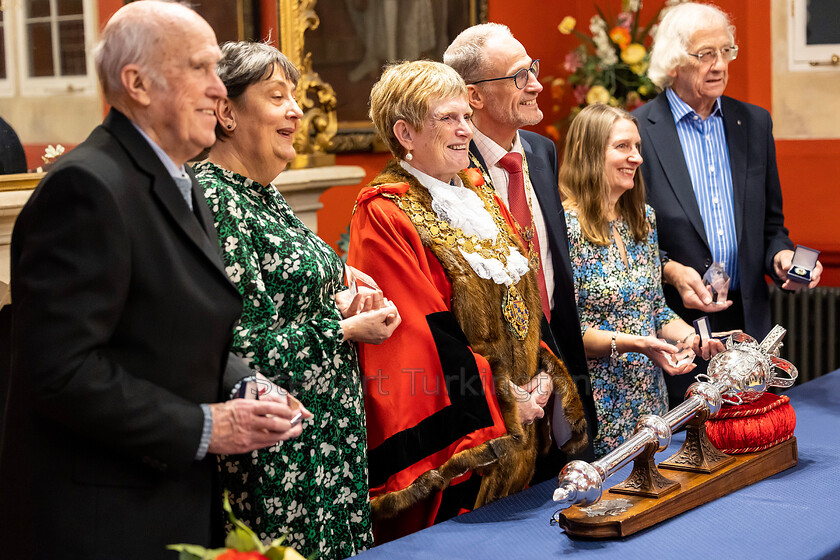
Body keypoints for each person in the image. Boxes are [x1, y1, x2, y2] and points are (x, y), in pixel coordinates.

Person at [0, 3, 308, 559]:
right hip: (102, 522)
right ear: (137, 83)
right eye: (201, 69)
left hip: (169, 505)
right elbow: (58, 371)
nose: (220, 89)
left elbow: (166, 328)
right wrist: (205, 428)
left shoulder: (180, 179)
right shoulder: (86, 189)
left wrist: (241, 381)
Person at [347, 60, 587, 542]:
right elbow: (417, 331)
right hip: (473, 444)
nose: (465, 130)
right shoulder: (385, 213)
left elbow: (521, 306)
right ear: (405, 132)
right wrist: (501, 401)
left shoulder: (479, 192)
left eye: (466, 117)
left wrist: (543, 374)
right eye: (448, 119)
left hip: (527, 422)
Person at [193, 41, 400, 559]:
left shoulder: (263, 192)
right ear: (226, 112)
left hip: (324, 442)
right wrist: (346, 331)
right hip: (281, 457)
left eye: (296, 96)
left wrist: (345, 297)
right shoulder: (216, 199)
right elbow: (240, 348)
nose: (296, 110)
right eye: (277, 96)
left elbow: (298, 299)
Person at [633, 2, 822, 403]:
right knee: (687, 449)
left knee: (752, 440)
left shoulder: (754, 123)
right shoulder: (638, 131)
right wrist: (670, 271)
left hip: (747, 321)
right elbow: (627, 240)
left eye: (726, 51)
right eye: (705, 54)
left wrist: (782, 259)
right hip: (676, 329)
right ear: (673, 60)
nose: (719, 64)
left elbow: (772, 227)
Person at [444, 23, 598, 466]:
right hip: (500, 392)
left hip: (564, 370)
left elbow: (554, 270)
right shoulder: (449, 173)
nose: (536, 83)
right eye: (518, 76)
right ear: (474, 96)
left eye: (532, 68)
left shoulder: (542, 151)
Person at [561, 103, 724, 457]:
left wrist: (692, 338)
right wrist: (639, 344)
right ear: (589, 154)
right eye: (622, 147)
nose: (636, 157)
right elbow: (569, 334)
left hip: (650, 397)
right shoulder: (564, 229)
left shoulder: (642, 220)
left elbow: (654, 309)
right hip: (599, 400)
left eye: (637, 147)